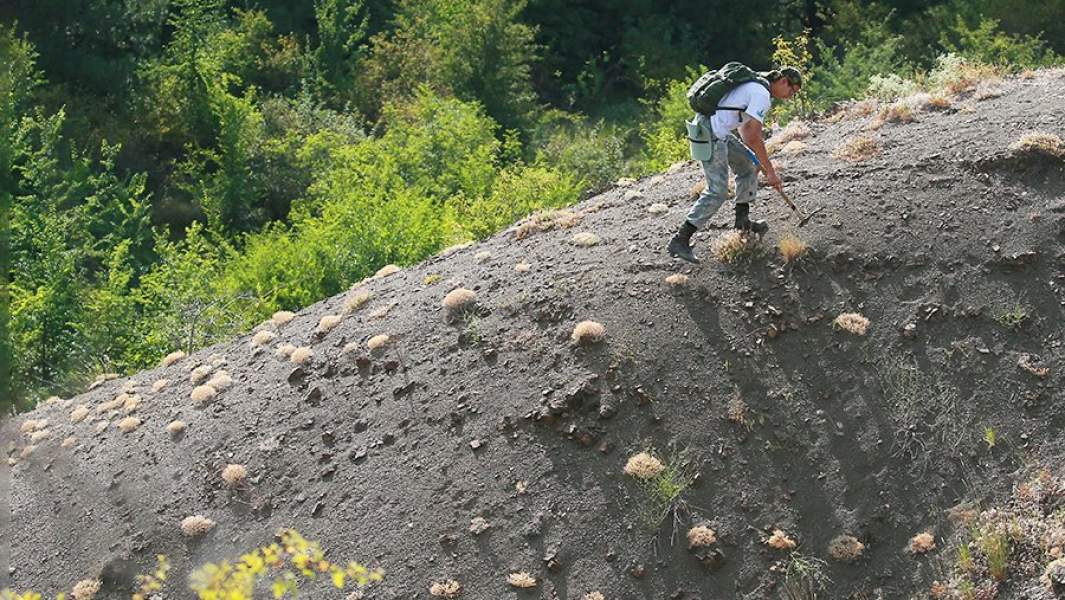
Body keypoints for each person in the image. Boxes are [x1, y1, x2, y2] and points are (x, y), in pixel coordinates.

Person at [667, 66, 803, 264]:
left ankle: (742, 222)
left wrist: (756, 159)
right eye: (792, 91)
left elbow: (742, 126)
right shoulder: (761, 94)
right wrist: (771, 171)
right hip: (711, 132)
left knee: (748, 164)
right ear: (783, 81)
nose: (790, 96)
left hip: (715, 128)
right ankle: (680, 240)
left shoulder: (755, 85)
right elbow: (752, 136)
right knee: (718, 191)